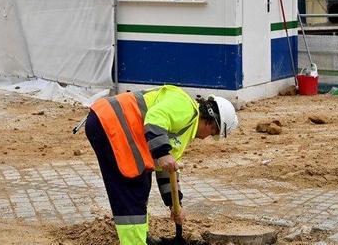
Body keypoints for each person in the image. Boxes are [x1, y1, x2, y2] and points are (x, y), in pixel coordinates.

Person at [84, 85, 239, 245]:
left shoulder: (187, 130)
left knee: (139, 183)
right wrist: (163, 153)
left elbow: (165, 171)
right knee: (134, 187)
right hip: (113, 122)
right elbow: (155, 118)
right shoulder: (186, 107)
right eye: (212, 134)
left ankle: (140, 238)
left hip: (108, 122)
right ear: (211, 124)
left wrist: (174, 203)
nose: (207, 138)